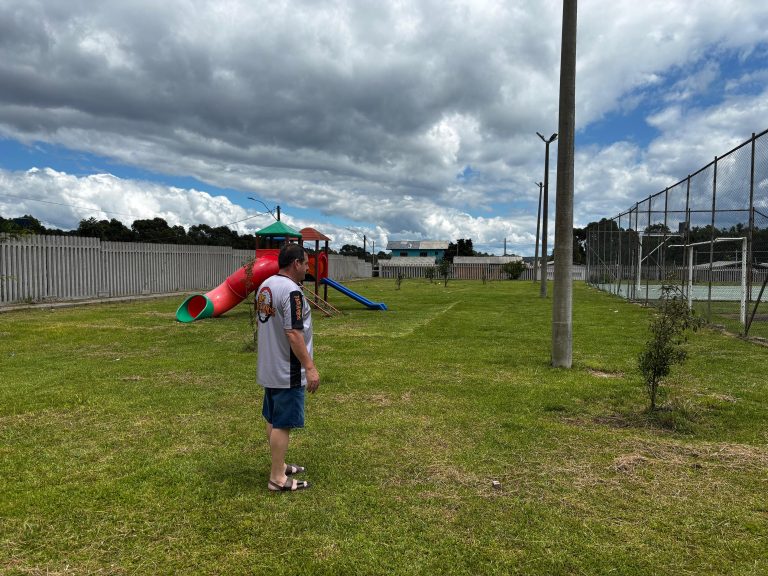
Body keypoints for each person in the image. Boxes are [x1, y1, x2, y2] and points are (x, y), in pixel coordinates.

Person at [256, 242, 320, 492]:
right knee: (283, 422)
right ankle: (277, 478)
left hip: (269, 367)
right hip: (287, 370)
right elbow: (293, 333)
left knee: (272, 417)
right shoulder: (293, 292)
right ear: (296, 263)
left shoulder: (266, 286)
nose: (307, 268)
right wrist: (310, 367)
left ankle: (279, 465)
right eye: (305, 263)